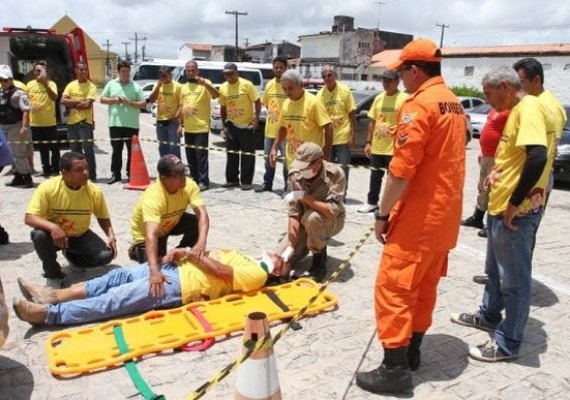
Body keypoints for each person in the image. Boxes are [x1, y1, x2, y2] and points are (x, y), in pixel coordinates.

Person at [355, 38, 465, 396]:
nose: (399, 79)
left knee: (394, 290)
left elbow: (400, 172)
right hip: (444, 219)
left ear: (414, 70)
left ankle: (395, 369)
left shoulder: (418, 106)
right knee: (423, 289)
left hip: (419, 219)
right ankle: (413, 353)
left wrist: (382, 213)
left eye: (401, 71)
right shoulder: (453, 103)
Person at [450, 67, 552, 363]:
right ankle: (488, 316)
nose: (487, 100)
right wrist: (497, 172)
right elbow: (516, 155)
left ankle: (508, 343)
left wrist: (513, 204)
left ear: (506, 86)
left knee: (514, 281)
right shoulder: (516, 109)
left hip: (514, 213)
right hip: (500, 205)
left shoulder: (529, 108)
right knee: (494, 272)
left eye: (488, 94)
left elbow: (537, 156)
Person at [13, 247, 285, 326]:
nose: (276, 253)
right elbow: (213, 258)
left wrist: (190, 254)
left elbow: (221, 271)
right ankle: (53, 295)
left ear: (277, 270)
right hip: (175, 269)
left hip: (181, 285)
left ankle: (48, 315)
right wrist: (186, 254)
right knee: (113, 279)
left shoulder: (258, 273)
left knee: (115, 299)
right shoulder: (250, 258)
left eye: (279, 258)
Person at [25, 151, 117, 280]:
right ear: (64, 173)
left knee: (106, 256)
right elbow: (29, 217)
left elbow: (103, 216)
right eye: (79, 170)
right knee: (39, 235)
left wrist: (111, 235)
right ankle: (53, 272)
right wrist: (54, 228)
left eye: (86, 168)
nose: (85, 173)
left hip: (80, 235)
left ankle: (72, 256)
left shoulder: (94, 191)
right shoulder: (48, 188)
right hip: (54, 237)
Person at [129, 154, 210, 298]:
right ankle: (138, 250)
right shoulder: (153, 197)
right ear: (163, 178)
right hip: (148, 234)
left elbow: (202, 214)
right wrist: (154, 270)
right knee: (159, 274)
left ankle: (180, 253)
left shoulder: (189, 185)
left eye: (183, 171)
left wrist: (201, 243)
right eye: (177, 174)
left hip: (170, 222)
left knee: (194, 223)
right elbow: (151, 234)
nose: (183, 177)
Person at [276, 142, 345, 283]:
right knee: (280, 259)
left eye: (305, 166)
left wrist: (304, 197)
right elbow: (294, 213)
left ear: (318, 161)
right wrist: (291, 244)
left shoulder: (335, 174)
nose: (302, 171)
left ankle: (318, 260)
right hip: (303, 220)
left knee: (312, 218)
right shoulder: (295, 175)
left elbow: (331, 212)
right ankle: (308, 244)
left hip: (331, 220)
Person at [513, 57, 567, 205]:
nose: (517, 89)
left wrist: (515, 201)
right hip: (542, 182)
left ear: (536, 80)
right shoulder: (555, 105)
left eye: (521, 83)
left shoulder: (536, 106)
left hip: (529, 185)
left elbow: (537, 155)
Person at [357, 70, 407, 214]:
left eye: (390, 81)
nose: (386, 83)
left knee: (392, 180)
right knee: (374, 177)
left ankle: (391, 206)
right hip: (378, 147)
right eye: (384, 80)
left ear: (398, 82)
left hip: (394, 148)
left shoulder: (404, 99)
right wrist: (368, 142)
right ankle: (372, 202)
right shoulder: (378, 98)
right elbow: (372, 121)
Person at [269, 70, 332, 175]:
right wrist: (274, 147)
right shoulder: (285, 104)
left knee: (310, 191)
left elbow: (328, 127)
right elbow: (283, 128)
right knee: (294, 190)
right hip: (292, 162)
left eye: (290, 88)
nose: (287, 92)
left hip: (311, 162)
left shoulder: (313, 102)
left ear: (301, 85)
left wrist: (326, 155)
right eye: (284, 89)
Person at [461, 108, 510, 237]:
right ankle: (477, 218)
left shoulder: (511, 109)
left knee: (493, 188)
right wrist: (482, 151)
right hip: (487, 154)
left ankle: (492, 224)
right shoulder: (496, 108)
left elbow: (509, 134)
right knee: (482, 187)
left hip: (497, 155)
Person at [100, 60, 146, 184]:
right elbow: (102, 99)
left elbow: (143, 103)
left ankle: (131, 173)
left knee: (132, 151)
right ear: (118, 72)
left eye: (127, 71)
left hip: (132, 124)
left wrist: (130, 103)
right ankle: (116, 174)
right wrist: (114, 100)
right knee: (116, 151)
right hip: (115, 124)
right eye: (123, 71)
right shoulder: (111, 84)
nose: (125, 73)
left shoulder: (135, 86)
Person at [219, 63, 261, 190]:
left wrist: (256, 119)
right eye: (226, 74)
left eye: (231, 73)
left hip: (246, 125)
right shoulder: (223, 88)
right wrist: (224, 125)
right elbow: (223, 107)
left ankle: (246, 181)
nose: (229, 76)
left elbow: (257, 101)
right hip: (231, 124)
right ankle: (232, 180)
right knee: (232, 155)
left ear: (237, 73)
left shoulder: (246, 84)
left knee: (247, 155)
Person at [178, 60, 220, 191]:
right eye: (188, 70)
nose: (190, 73)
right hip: (188, 128)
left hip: (201, 127)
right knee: (190, 156)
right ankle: (195, 179)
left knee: (201, 156)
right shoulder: (183, 87)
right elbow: (181, 106)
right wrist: (180, 125)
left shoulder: (205, 83)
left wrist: (205, 84)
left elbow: (216, 94)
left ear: (197, 71)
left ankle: (203, 181)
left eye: (193, 70)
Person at [316, 65, 356, 190]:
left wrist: (352, 135)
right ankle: (330, 192)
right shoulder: (320, 95)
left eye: (329, 75)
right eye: (324, 76)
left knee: (343, 167)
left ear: (335, 76)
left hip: (343, 136)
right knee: (328, 167)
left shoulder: (345, 91)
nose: (327, 78)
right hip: (327, 138)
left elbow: (352, 114)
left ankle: (342, 193)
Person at [255, 56, 289, 193]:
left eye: (281, 67)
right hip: (270, 130)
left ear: (286, 68)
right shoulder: (269, 85)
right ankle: (267, 184)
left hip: (287, 131)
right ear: (273, 68)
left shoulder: (289, 84)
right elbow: (268, 105)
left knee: (288, 161)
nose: (279, 69)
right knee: (268, 158)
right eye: (276, 67)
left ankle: (288, 187)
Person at [61, 61, 98, 181]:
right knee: (74, 152)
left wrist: (71, 102)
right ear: (76, 71)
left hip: (85, 122)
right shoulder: (71, 85)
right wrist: (79, 102)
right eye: (80, 70)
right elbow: (62, 101)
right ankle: (77, 175)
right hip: (72, 122)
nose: (83, 72)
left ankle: (91, 175)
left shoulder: (91, 86)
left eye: (85, 70)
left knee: (88, 151)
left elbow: (87, 105)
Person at [0, 64, 34, 188]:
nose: (3, 83)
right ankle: (18, 176)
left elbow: (26, 110)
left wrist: (24, 127)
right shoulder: (2, 93)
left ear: (11, 79)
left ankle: (27, 178)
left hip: (16, 126)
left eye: (5, 80)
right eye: (1, 80)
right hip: (4, 127)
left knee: (19, 153)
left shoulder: (19, 93)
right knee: (10, 153)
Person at [26, 60, 60, 177]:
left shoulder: (51, 84)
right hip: (35, 123)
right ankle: (46, 170)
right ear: (33, 71)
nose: (38, 72)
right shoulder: (29, 85)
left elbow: (54, 97)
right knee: (42, 148)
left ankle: (56, 170)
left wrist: (45, 84)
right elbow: (26, 101)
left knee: (54, 148)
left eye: (41, 70)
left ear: (46, 72)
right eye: (36, 70)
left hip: (49, 122)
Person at [148, 66, 182, 158]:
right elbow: (151, 99)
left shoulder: (178, 86)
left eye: (165, 75)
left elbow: (182, 104)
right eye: (161, 76)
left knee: (174, 147)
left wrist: (177, 117)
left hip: (172, 122)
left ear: (170, 75)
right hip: (160, 121)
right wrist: (158, 86)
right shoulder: (158, 85)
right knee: (163, 147)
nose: (163, 78)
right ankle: (165, 169)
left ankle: (176, 169)